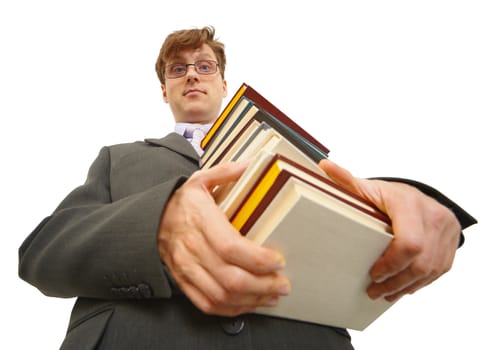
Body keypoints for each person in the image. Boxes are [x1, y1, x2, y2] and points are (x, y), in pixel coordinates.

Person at [18, 26, 477, 349]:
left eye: (203, 65)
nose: (192, 75)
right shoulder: (118, 157)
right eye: (178, 70)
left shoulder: (285, 148)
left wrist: (404, 203)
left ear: (222, 81)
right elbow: (42, 253)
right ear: (163, 90)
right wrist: (155, 228)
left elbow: (345, 210)